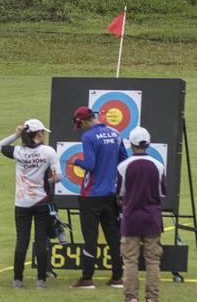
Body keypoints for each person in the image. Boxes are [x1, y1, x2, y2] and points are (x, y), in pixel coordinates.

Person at [0, 118, 59, 289]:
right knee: (40, 240)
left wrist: (16, 135)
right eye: (43, 132)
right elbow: (58, 177)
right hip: (42, 202)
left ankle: (18, 279)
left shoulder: (18, 151)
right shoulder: (48, 151)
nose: (44, 134)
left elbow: (0, 146)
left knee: (22, 240)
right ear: (39, 134)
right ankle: (41, 280)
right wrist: (47, 180)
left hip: (22, 203)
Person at [70, 106, 128, 289]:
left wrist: (76, 161)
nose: (81, 129)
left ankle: (87, 278)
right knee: (113, 236)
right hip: (110, 194)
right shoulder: (115, 132)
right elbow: (123, 160)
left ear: (85, 121)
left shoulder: (87, 137)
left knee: (90, 237)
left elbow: (90, 164)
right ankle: (118, 277)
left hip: (91, 195)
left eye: (80, 125)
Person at [117, 127, 166, 302]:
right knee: (153, 261)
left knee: (130, 260)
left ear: (131, 144)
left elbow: (121, 192)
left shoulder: (123, 166)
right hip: (152, 218)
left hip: (131, 219)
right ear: (148, 143)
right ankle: (152, 298)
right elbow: (161, 192)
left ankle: (131, 298)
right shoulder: (158, 165)